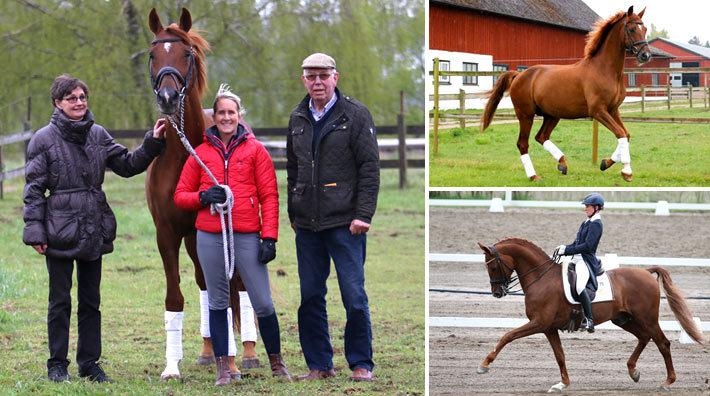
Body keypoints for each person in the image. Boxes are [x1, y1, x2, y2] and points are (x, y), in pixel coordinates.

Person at [22, 74, 167, 383]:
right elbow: (34, 189)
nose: (79, 102)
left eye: (82, 97)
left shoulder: (98, 134)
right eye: (72, 98)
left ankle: (90, 363)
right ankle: (57, 364)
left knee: (91, 301)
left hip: (92, 225)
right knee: (59, 301)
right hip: (58, 228)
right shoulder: (43, 139)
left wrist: (152, 143)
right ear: (58, 103)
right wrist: (34, 230)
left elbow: (127, 165)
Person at [173, 84, 291, 386]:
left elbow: (269, 196)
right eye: (221, 113)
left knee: (263, 301)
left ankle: (277, 362)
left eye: (231, 112)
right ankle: (224, 366)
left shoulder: (255, 151)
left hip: (247, 235)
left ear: (239, 115)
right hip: (211, 236)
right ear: (215, 117)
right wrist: (204, 197)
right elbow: (180, 196)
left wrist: (270, 237)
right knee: (217, 300)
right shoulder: (200, 154)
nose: (226, 117)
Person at [287, 52, 380, 382]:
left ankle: (361, 362)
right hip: (307, 225)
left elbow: (369, 168)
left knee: (354, 296)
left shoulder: (355, 115)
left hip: (346, 223)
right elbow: (293, 169)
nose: (317, 82)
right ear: (304, 80)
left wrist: (363, 214)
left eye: (323, 75)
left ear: (335, 77)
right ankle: (319, 364)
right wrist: (292, 211)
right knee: (310, 296)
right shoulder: (297, 117)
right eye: (311, 76)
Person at [553, 193, 605, 333]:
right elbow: (576, 243)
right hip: (576, 258)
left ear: (596, 208)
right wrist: (564, 248)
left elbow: (588, 246)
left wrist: (567, 250)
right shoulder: (586, 222)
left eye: (587, 206)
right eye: (586, 206)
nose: (585, 209)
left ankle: (589, 320)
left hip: (585, 260)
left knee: (579, 286)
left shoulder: (596, 224)